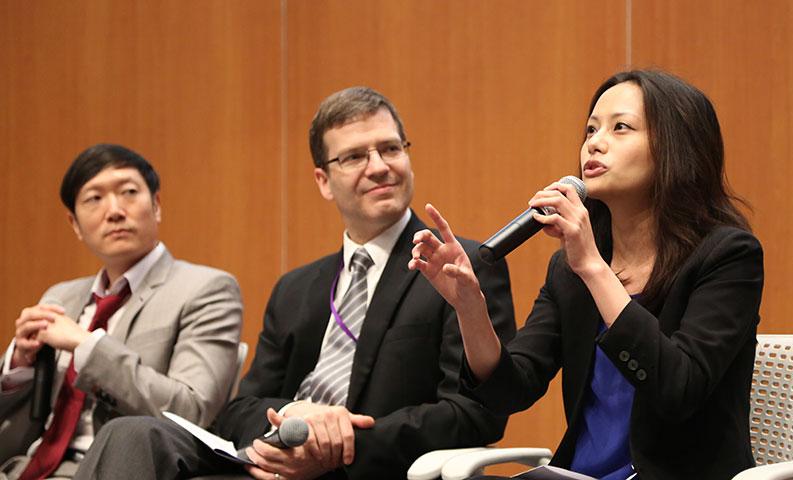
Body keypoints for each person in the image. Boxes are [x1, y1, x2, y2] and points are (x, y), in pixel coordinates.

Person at [75, 87, 515, 480]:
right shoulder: (297, 287)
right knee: (132, 434)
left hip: (364, 466)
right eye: (355, 156)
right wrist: (291, 416)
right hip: (269, 461)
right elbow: (241, 408)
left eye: (390, 148)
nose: (379, 167)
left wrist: (339, 443)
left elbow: (475, 413)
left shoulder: (461, 266)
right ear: (323, 181)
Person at [410, 69, 764, 480]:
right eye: (591, 129)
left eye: (621, 128)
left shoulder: (727, 256)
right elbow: (511, 388)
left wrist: (594, 267)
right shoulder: (570, 269)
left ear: (676, 147)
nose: (594, 143)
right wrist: (469, 308)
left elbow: (677, 389)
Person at [0, 144, 244, 480]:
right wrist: (19, 367)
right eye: (94, 199)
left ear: (156, 205)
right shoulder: (60, 297)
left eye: (129, 192)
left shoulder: (207, 288)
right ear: (74, 223)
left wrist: (87, 345)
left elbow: (191, 410)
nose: (114, 211)